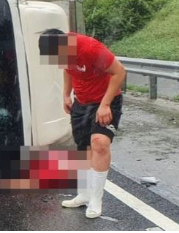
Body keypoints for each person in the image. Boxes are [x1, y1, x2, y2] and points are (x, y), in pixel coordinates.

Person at [40, 29, 127, 219]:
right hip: (82, 102)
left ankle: (96, 200)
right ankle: (84, 194)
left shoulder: (90, 48)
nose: (56, 60)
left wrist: (105, 105)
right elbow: (67, 69)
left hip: (106, 100)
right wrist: (66, 94)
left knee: (100, 144)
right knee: (84, 148)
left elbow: (119, 72)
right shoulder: (63, 53)